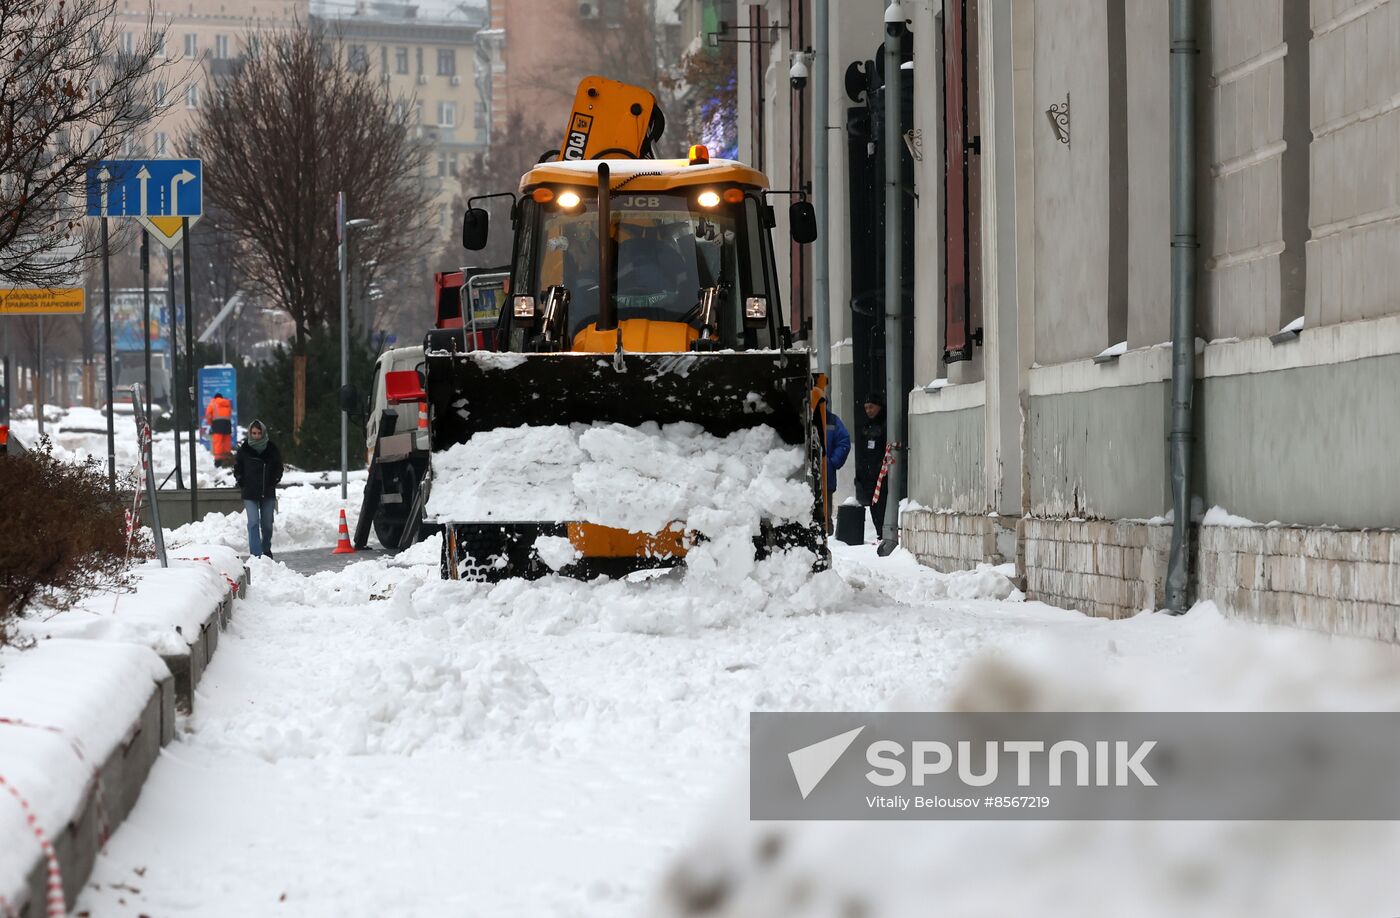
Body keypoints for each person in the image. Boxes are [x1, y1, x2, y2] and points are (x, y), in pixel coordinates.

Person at [233, 420, 283, 559]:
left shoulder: (271, 449)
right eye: (253, 433)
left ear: (263, 433)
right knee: (253, 522)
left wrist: (275, 479)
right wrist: (241, 480)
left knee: (267, 525)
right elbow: (238, 467)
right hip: (250, 492)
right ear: (250, 433)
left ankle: (266, 550)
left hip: (267, 491)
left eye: (259, 433)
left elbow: (279, 466)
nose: (256, 436)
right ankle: (256, 555)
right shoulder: (244, 449)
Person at [853, 394, 889, 537]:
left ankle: (885, 531)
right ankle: (879, 531)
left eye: (871, 407)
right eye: (866, 408)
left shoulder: (886, 424)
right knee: (873, 504)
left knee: (882, 503)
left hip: (882, 472)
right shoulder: (866, 426)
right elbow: (862, 451)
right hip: (869, 473)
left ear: (879, 406)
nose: (868, 411)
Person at [823, 403, 851, 533]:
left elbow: (843, 442)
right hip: (821, 473)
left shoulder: (832, 420)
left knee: (825, 511)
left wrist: (832, 462)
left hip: (826, 475)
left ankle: (826, 533)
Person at [205, 391, 234, 466]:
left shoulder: (213, 403)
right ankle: (227, 459)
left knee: (218, 442)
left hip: (217, 424)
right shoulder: (227, 403)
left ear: (215, 398)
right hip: (227, 424)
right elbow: (230, 414)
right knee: (226, 442)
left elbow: (208, 414)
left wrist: (211, 422)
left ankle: (218, 461)